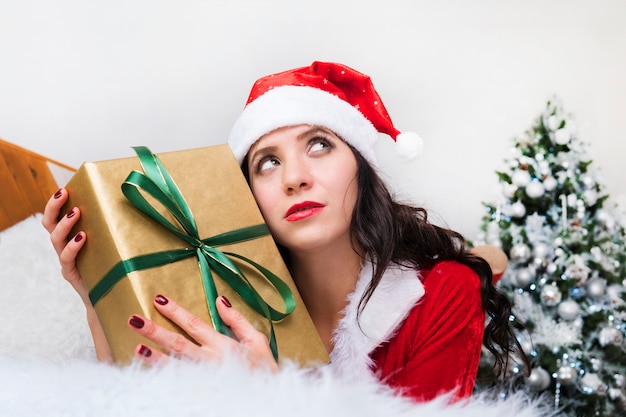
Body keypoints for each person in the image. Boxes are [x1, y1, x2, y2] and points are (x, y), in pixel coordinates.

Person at [43, 61, 526, 402]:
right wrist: (96, 296)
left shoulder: (441, 294)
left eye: (318, 145)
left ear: (362, 169)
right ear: (247, 196)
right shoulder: (224, 297)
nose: (294, 177)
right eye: (267, 162)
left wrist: (269, 398)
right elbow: (132, 398)